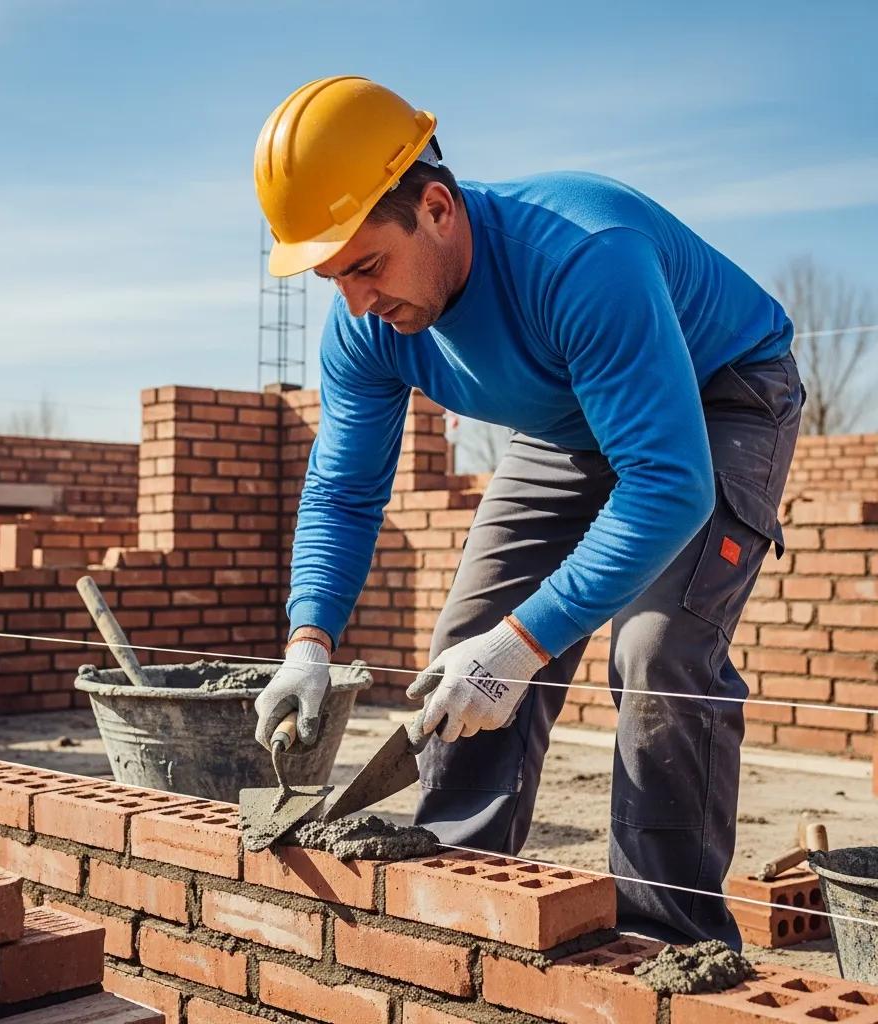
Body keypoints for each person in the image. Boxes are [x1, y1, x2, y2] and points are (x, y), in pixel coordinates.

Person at [251, 75, 803, 947]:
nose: (356, 300)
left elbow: (668, 484)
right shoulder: (366, 324)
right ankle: (457, 906)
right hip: (562, 424)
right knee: (459, 653)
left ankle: (673, 941)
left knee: (659, 648)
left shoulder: (582, 255)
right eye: (333, 276)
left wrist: (524, 643)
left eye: (366, 265)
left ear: (436, 207)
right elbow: (344, 488)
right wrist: (308, 642)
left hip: (716, 400)